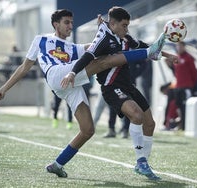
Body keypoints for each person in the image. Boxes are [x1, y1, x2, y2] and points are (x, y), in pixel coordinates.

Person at [0, 9, 174, 179]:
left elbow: (96, 46)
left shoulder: (73, 47)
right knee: (103, 62)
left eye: (71, 23)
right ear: (56, 24)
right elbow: (25, 67)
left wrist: (104, 31)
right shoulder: (41, 40)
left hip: (70, 84)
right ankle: (149, 53)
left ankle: (57, 164)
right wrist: (4, 88)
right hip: (57, 75)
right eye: (66, 23)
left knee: (88, 130)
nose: (70, 26)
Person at [61, 7, 177, 180]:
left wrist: (167, 54)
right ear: (113, 23)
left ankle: (143, 163)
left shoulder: (125, 38)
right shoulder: (104, 39)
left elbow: (145, 47)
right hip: (111, 87)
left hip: (128, 86)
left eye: (127, 26)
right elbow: (87, 56)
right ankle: (141, 162)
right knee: (136, 115)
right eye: (124, 25)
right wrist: (72, 73)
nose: (126, 29)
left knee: (150, 124)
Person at [166, 41, 197, 130]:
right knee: (179, 106)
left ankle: (186, 126)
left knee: (186, 106)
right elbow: (176, 72)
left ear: (184, 47)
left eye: (180, 46)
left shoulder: (188, 58)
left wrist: (192, 86)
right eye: (177, 47)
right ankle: (181, 125)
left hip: (187, 87)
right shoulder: (177, 58)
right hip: (178, 87)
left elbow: (194, 73)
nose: (179, 48)